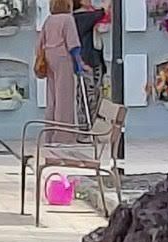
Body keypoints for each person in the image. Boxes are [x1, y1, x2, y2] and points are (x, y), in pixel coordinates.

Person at [37, 0, 85, 141]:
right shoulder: (68, 19)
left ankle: (49, 135)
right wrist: (79, 64)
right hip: (63, 58)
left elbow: (39, 42)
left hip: (48, 57)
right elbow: (73, 45)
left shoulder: (49, 20)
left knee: (52, 98)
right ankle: (63, 136)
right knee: (64, 98)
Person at [72, 1, 107, 116]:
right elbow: (102, 12)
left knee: (92, 96)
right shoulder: (80, 17)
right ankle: (87, 127)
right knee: (88, 97)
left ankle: (89, 124)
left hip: (92, 60)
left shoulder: (81, 16)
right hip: (87, 62)